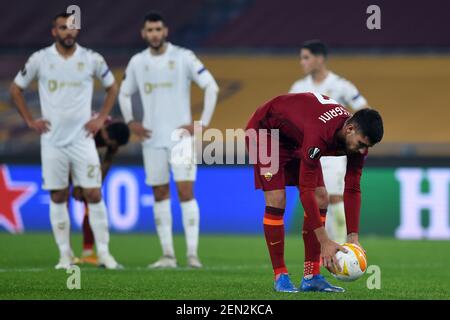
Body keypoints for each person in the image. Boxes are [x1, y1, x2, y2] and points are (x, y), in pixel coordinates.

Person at [10, 12, 121, 269]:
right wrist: (30, 120)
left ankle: (104, 254)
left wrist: (101, 117)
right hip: (52, 141)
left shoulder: (91, 58)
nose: (68, 32)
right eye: (63, 28)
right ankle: (65, 255)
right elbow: (16, 89)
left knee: (94, 193)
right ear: (54, 32)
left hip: (83, 139)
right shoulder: (40, 59)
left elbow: (112, 87)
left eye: (72, 28)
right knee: (58, 196)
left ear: (77, 31)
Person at [245, 92, 383, 292]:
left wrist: (353, 236)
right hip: (266, 131)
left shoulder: (357, 144)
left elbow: (352, 187)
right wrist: (324, 240)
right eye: (361, 144)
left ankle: (312, 276)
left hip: (296, 137)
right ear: (350, 128)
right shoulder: (320, 132)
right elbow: (305, 190)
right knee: (277, 198)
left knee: (321, 197)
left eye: (367, 147)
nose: (362, 151)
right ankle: (280, 275)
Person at [118, 12, 219, 268]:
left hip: (180, 138)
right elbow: (123, 93)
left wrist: (201, 123)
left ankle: (193, 254)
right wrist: (131, 121)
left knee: (186, 192)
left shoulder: (183, 57)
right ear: (143, 34)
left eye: (158, 29)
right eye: (149, 30)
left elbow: (211, 86)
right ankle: (167, 255)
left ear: (166, 31)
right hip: (152, 138)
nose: (154, 34)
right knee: (160, 192)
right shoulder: (137, 62)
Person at [289, 40, 369, 244]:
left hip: (333, 152)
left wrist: (355, 136)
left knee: (334, 197)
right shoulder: (299, 87)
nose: (302, 62)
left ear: (319, 58)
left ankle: (343, 249)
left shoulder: (341, 85)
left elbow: (363, 109)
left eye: (306, 57)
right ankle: (325, 250)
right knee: (317, 200)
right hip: (310, 151)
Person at [72, 120, 130, 265]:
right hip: (67, 152)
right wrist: (77, 184)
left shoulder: (112, 137)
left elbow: (107, 161)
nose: (111, 146)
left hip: (86, 159)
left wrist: (95, 186)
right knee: (61, 196)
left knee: (91, 202)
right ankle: (65, 252)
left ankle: (88, 251)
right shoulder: (89, 129)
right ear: (104, 132)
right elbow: (71, 154)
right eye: (111, 143)